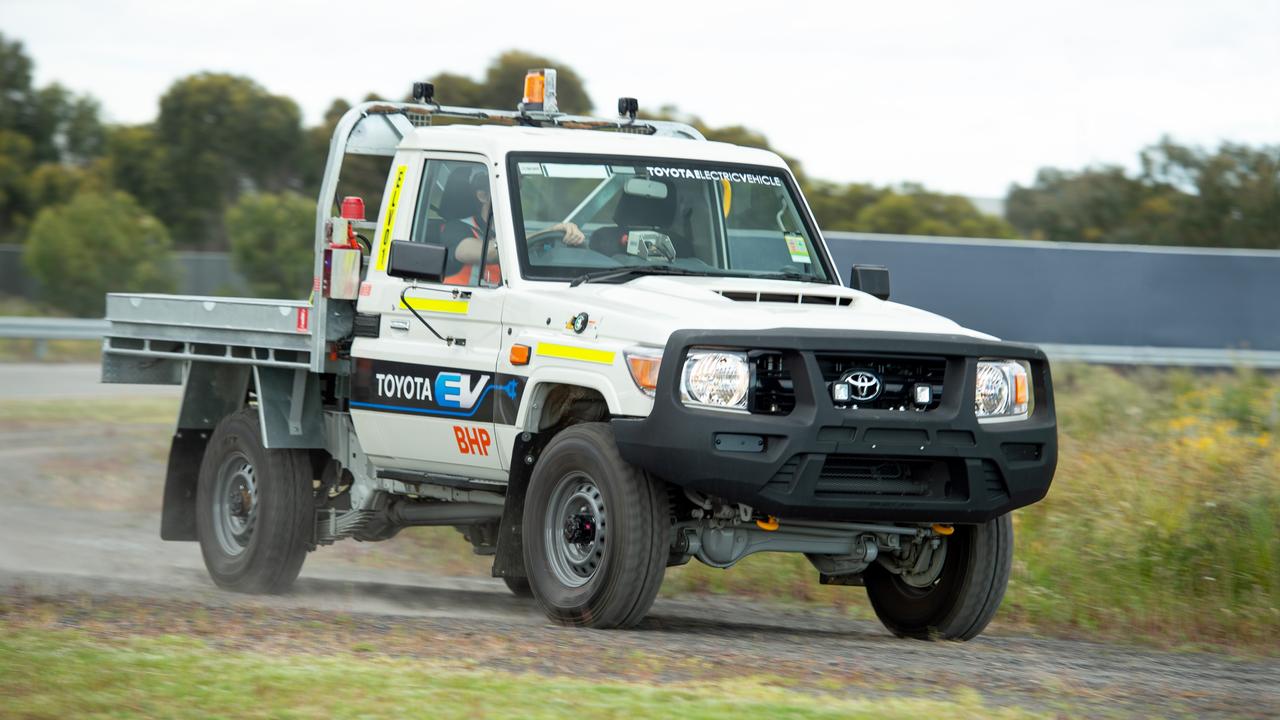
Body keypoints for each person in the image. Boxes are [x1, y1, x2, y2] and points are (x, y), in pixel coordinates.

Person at [440, 169, 585, 285]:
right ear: (483, 196)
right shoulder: (455, 229)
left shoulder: (510, 232)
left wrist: (568, 235)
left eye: (518, 190)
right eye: (508, 191)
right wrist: (549, 231)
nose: (516, 196)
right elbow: (489, 252)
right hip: (461, 311)